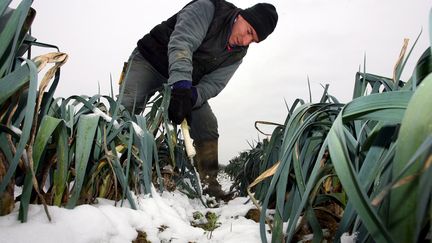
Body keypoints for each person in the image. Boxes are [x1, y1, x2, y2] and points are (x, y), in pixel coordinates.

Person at [120, 0, 278, 200]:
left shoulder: (237, 54)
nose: (246, 41)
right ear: (241, 16)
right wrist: (182, 87)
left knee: (207, 124)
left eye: (253, 40)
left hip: (185, 84)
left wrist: (191, 97)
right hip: (151, 61)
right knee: (127, 106)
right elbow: (181, 44)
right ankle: (105, 164)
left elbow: (214, 84)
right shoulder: (208, 9)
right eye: (248, 32)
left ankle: (209, 185)